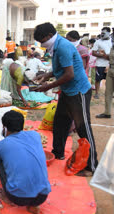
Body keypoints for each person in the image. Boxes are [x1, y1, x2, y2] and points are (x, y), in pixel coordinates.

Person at [33, 22, 98, 176]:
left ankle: (92, 165)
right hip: (67, 92)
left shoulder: (62, 46)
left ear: (49, 36)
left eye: (42, 41)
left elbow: (69, 74)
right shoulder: (55, 46)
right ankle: (58, 152)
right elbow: (59, 69)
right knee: (60, 123)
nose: (42, 45)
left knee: (83, 127)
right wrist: (46, 75)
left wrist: (48, 86)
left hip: (78, 91)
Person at [0, 110, 51, 214]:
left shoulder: (0, 146)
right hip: (43, 196)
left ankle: (6, 196)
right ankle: (34, 206)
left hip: (18, 198)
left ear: (5, 128)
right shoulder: (35, 135)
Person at [92, 27, 112, 100]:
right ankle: (97, 93)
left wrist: (107, 56)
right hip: (100, 64)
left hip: (110, 64)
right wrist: (103, 55)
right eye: (101, 32)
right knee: (98, 79)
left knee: (110, 80)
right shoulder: (98, 41)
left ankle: (110, 93)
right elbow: (93, 52)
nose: (102, 34)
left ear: (108, 33)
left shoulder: (112, 41)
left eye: (104, 33)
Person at [95, 43, 114, 119]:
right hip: (111, 69)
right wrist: (104, 54)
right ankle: (107, 112)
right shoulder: (113, 46)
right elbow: (110, 58)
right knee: (108, 92)